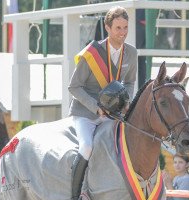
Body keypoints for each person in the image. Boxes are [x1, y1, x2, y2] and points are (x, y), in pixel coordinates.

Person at [68, 6, 137, 200]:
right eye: (118, 28)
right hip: (86, 113)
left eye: (125, 28)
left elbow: (130, 82)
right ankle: (77, 194)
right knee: (87, 147)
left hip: (113, 113)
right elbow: (73, 87)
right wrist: (95, 107)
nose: (122, 33)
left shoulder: (131, 53)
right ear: (107, 27)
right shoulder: (91, 53)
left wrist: (126, 101)